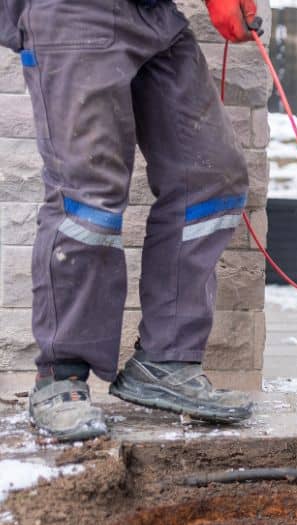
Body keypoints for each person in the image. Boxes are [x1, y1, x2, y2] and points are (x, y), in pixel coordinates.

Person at [0, 0, 260, 442]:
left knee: (210, 177)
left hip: (154, 15)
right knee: (89, 194)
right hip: (74, 12)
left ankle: (166, 360)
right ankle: (60, 377)